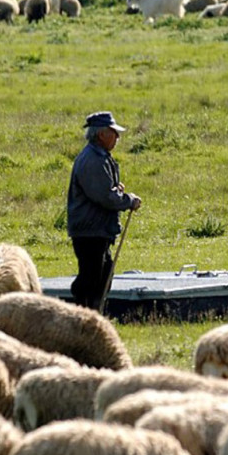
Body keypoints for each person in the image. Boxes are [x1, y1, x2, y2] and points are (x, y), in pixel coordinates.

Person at [67, 111, 142, 311]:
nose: (117, 137)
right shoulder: (93, 160)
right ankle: (83, 317)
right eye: (113, 133)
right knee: (91, 280)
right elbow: (104, 197)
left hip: (97, 230)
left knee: (103, 275)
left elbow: (103, 191)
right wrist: (128, 201)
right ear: (101, 135)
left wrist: (116, 190)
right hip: (90, 231)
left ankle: (92, 316)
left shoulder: (98, 157)